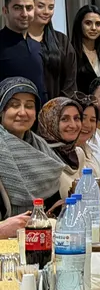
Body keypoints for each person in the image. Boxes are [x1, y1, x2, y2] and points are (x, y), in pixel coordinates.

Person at [0, 77, 65, 215]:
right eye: (14, 105)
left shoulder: (42, 148)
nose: (23, 112)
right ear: (1, 111)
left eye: (29, 106)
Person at [28, 0, 77, 99]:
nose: (46, 12)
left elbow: (70, 80)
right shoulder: (19, 40)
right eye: (40, 6)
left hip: (58, 105)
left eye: (51, 7)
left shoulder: (62, 40)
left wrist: (59, 105)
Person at [0, 0, 47, 102]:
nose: (24, 14)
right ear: (5, 11)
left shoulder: (38, 46)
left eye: (29, 8)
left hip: (38, 111)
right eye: (18, 8)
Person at [36, 97, 84, 196]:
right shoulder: (40, 156)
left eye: (76, 118)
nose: (73, 125)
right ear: (50, 122)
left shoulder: (78, 153)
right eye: (64, 119)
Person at [71, 4, 100, 94]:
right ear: (79, 25)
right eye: (88, 23)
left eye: (98, 24)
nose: (94, 28)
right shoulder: (71, 53)